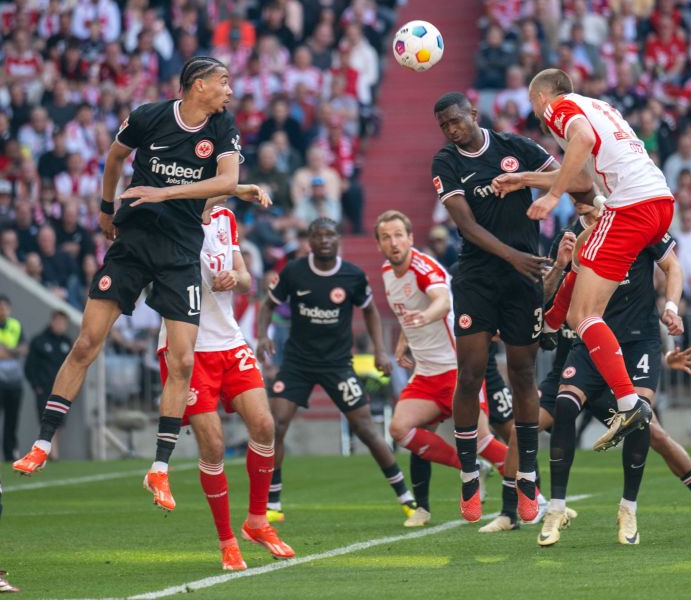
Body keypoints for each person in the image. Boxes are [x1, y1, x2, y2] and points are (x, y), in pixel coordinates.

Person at [13, 57, 243, 515]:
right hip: (133, 244)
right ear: (197, 86)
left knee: (181, 362)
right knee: (85, 343)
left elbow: (228, 181)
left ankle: (158, 468)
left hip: (180, 255)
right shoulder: (148, 116)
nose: (229, 90)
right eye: (223, 82)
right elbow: (116, 156)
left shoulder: (222, 126)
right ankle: (42, 443)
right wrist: (103, 208)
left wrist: (163, 192)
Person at [534, 208, 691, 547]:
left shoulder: (641, 221)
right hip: (591, 341)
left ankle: (635, 507)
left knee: (645, 424)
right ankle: (548, 507)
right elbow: (555, 297)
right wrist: (561, 260)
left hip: (638, 341)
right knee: (556, 409)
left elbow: (673, 267)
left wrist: (671, 307)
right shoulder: (575, 237)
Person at [431, 91, 573, 523]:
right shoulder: (446, 161)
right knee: (470, 371)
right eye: (445, 126)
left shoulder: (518, 149)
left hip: (522, 280)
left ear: (473, 114)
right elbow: (466, 226)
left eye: (457, 121)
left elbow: (574, 176)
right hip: (477, 277)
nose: (453, 130)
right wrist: (512, 256)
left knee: (524, 373)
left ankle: (527, 474)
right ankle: (470, 472)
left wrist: (528, 180)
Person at [522, 67, 674, 451]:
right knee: (582, 259)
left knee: (584, 313)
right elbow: (582, 181)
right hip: (658, 202)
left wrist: (551, 197)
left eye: (533, 104)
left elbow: (581, 142)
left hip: (632, 205)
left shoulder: (558, 106)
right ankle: (552, 327)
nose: (537, 113)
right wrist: (524, 179)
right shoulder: (598, 106)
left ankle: (627, 402)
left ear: (541, 98)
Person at [157, 191, 293, 570]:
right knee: (213, 445)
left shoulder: (225, 219)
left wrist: (236, 276)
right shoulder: (170, 216)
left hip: (229, 339)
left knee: (265, 425)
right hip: (188, 346)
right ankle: (226, 541)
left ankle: (257, 521)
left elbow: (248, 281)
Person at [256, 218, 414, 523]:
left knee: (366, 429)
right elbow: (267, 306)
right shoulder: (294, 271)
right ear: (310, 241)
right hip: (298, 364)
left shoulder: (352, 275)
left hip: (338, 365)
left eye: (330, 235)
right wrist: (263, 335)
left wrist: (379, 349)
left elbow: (369, 309)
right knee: (275, 425)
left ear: (338, 239)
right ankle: (272, 503)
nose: (324, 240)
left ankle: (406, 498)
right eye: (318, 235)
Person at [375, 210, 509, 528]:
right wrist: (403, 341)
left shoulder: (424, 267)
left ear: (410, 238)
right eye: (386, 237)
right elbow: (408, 309)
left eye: (398, 235)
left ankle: (536, 495)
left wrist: (426, 317)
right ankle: (468, 469)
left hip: (457, 370)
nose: (393, 243)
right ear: (379, 244)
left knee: (481, 439)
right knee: (400, 429)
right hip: (425, 373)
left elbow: (441, 301)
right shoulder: (386, 272)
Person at [24, 310, 71, 429]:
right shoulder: (39, 341)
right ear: (52, 322)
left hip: (62, 391)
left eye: (64, 323)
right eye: (59, 322)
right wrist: (36, 386)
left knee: (59, 425)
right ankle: (52, 448)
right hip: (44, 391)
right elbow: (29, 366)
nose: (61, 325)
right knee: (47, 425)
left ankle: (56, 449)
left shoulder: (67, 342)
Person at [0, 297, 26, 462]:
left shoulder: (15, 325)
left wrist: (8, 351)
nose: (2, 311)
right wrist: (13, 352)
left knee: (12, 420)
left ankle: (10, 454)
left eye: (4, 307)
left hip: (14, 381)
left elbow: (24, 348)